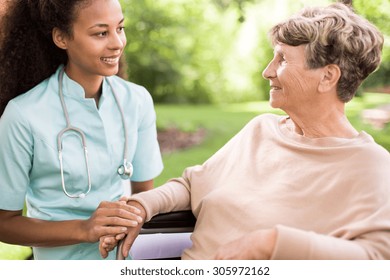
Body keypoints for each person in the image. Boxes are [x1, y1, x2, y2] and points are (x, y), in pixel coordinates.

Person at [103, 2, 390, 260]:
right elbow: (193, 185)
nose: (267, 71)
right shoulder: (261, 130)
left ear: (327, 76)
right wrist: (141, 206)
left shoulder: (369, 165)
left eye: (283, 60)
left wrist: (273, 243)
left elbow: (376, 257)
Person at [0, 0, 163, 260]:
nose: (117, 43)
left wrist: (134, 215)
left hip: (127, 260)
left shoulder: (137, 101)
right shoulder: (23, 115)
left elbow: (146, 197)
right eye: (101, 33)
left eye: (119, 28)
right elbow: (4, 222)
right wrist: (84, 229)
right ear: (62, 37)